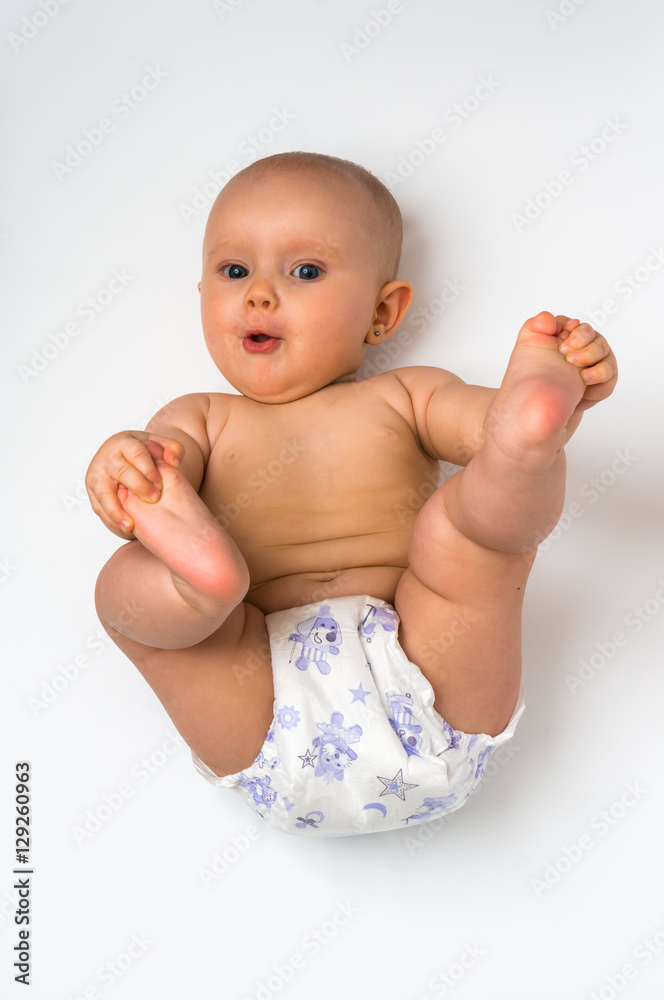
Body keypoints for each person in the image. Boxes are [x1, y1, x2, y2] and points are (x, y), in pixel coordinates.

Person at [85, 151, 618, 836]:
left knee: (466, 537)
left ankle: (530, 444)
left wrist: (516, 423)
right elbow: (156, 482)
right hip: (258, 701)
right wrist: (129, 465)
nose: (259, 293)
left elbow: (477, 427)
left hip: (426, 670)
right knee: (126, 590)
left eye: (304, 271)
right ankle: (199, 587)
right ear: (202, 295)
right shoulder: (197, 418)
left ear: (382, 311)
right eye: (234, 270)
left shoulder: (406, 394)